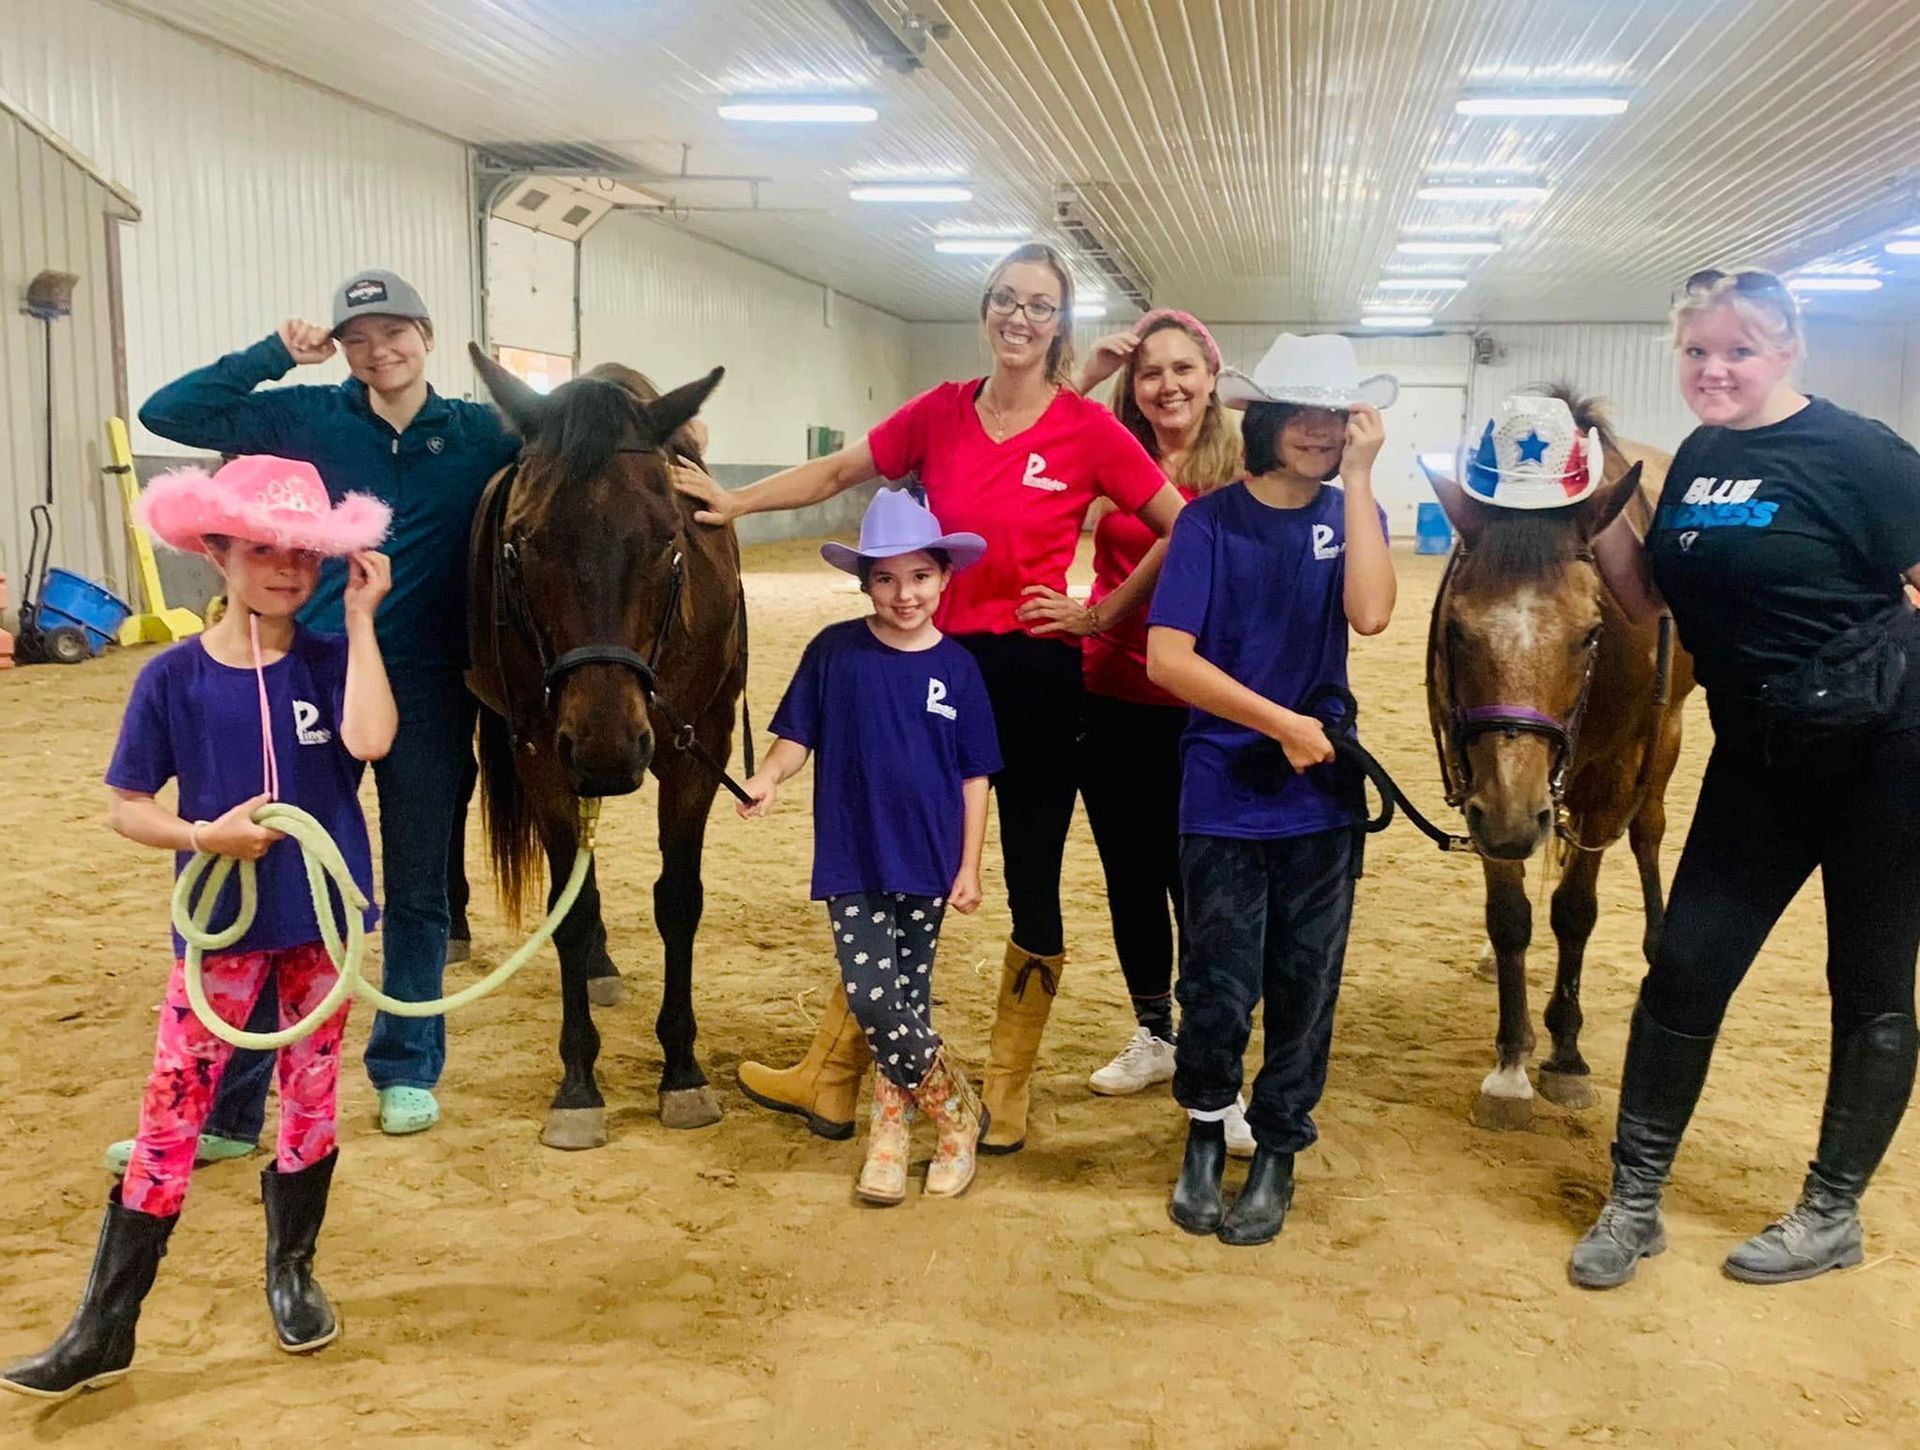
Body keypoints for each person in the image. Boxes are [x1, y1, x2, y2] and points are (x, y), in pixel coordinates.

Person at [676, 242, 1184, 1154]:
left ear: (1060, 324)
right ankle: (835, 1074)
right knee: (884, 859)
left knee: (1025, 872)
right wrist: (737, 502)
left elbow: (1184, 528)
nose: (1019, 318)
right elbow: (837, 475)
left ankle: (1010, 1086)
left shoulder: (1086, 430)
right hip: (924, 661)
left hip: (1032, 676)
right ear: (986, 311)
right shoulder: (941, 412)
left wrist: (1100, 610)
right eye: (1004, 300)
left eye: (1039, 305)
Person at [2, 458, 396, 1401]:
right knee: (171, 1114)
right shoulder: (171, 678)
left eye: (306, 551)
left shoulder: (334, 658)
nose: (289, 568)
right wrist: (201, 836)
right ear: (215, 552)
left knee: (311, 1104)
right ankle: (107, 1325)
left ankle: (293, 1273)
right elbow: (126, 805)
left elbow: (371, 742)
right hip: (219, 934)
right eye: (265, 548)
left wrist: (361, 623)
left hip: (321, 932)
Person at [1572, 268, 1920, 1288]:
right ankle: (1634, 1200)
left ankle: (1832, 1211)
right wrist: (1594, 510)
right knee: (1685, 968)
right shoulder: (1700, 460)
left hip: (1884, 757)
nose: (1714, 369)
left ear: (1786, 349)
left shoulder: (1860, 451)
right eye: (1696, 351)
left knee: (1867, 986)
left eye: (1738, 349)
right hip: (1759, 754)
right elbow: (1647, 602)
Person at [129, 269, 520, 1142]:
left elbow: (580, 453)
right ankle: (241, 1093)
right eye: (359, 338)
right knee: (277, 877)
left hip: (427, 682)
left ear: (425, 331)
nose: (380, 351)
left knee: (420, 880)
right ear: (340, 348)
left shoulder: (481, 434)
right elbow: (168, 411)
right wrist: (273, 354)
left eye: (395, 332)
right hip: (304, 672)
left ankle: (407, 1064)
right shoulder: (306, 416)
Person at [1147, 332, 1396, 1247]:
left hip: (1319, 798)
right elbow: (1168, 658)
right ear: (1265, 420)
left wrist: (1363, 484)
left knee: (1306, 981)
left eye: (1336, 415)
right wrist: (1278, 723)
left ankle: (1280, 1145)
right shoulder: (1209, 524)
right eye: (1304, 414)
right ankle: (1207, 1130)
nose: (1321, 432)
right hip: (1223, 789)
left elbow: (1370, 613)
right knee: (1216, 983)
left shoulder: (1345, 514)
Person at [737, 490, 1000, 1202]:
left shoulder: (962, 670)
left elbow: (976, 777)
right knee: (872, 994)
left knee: (907, 999)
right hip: (854, 855)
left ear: (944, 577)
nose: (903, 593)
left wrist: (970, 865)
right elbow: (796, 737)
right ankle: (955, 1111)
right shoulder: (835, 651)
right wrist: (768, 776)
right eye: (885, 578)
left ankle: (890, 1130)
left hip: (930, 859)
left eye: (918, 576)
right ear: (865, 584)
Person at [1050, 310, 1253, 1153]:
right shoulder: (1111, 450)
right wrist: (1089, 371)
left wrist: (1098, 610)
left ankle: (1214, 1060)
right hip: (1111, 694)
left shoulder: (1245, 462)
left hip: (1206, 705)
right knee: (1130, 877)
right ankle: (1155, 1033)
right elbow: (1022, 431)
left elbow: (1195, 549)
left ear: (1212, 372)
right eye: (1149, 373)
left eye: (1182, 369)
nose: (1166, 386)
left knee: (1203, 890)